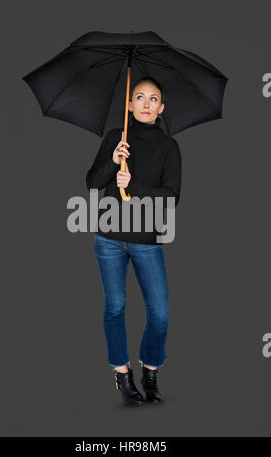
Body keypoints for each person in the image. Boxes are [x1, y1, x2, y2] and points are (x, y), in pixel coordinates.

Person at [86, 76, 182, 407]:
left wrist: (135, 185)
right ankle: (122, 373)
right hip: (108, 238)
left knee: (160, 313)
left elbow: (172, 197)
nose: (145, 103)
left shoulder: (169, 147)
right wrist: (113, 163)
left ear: (161, 107)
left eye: (152, 99)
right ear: (129, 104)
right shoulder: (117, 138)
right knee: (115, 306)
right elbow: (92, 183)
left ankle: (150, 370)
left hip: (146, 240)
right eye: (138, 97)